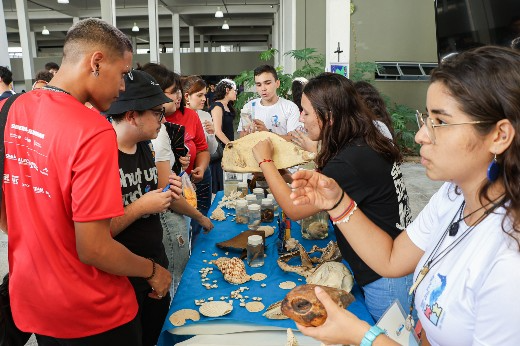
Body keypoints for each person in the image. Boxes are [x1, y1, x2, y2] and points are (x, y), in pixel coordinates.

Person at [290, 46, 520, 346]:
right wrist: (337, 203)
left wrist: (364, 336)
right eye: (426, 118)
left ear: (499, 135)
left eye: (441, 122)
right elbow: (391, 259)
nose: (421, 135)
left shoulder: (509, 261)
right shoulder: (453, 197)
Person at [0, 18, 179, 345]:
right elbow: (94, 248)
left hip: (36, 299)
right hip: (93, 311)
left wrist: (40, 244)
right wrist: (153, 271)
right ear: (96, 62)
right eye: (123, 74)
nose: (125, 88)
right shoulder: (92, 131)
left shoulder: (11, 108)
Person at [252, 72, 412, 322]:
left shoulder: (350, 161)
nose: (301, 119)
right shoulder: (360, 143)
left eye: (305, 112)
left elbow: (295, 209)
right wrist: (281, 175)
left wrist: (265, 161)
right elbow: (318, 191)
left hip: (385, 278)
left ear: (328, 117)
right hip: (387, 264)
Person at [105, 69, 175, 346]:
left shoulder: (145, 146)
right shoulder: (102, 155)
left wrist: (167, 193)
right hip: (122, 280)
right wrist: (140, 206)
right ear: (132, 115)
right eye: (157, 112)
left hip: (154, 267)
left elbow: (151, 194)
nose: (162, 119)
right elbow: (96, 233)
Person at [141, 63, 213, 295]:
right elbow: (167, 193)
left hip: (160, 216)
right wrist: (201, 218)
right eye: (172, 91)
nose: (179, 96)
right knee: (175, 284)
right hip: (168, 217)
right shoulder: (157, 131)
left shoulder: (147, 128)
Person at [181, 75, 217, 231]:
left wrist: (211, 134)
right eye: (200, 95)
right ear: (187, 96)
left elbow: (210, 149)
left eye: (205, 94)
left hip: (202, 169)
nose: (204, 99)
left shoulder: (204, 115)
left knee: (203, 210)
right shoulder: (177, 116)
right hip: (184, 174)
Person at [238, 64, 301, 141]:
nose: (263, 88)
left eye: (267, 83)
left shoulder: (290, 107)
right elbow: (241, 138)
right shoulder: (248, 107)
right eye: (259, 85)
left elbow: (294, 139)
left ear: (277, 83)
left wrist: (267, 133)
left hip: (282, 152)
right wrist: (248, 132)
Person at [209, 78, 237, 192]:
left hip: (227, 148)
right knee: (220, 182)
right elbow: (217, 131)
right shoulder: (217, 106)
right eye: (234, 90)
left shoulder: (228, 106)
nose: (236, 93)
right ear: (227, 90)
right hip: (221, 149)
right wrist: (231, 145)